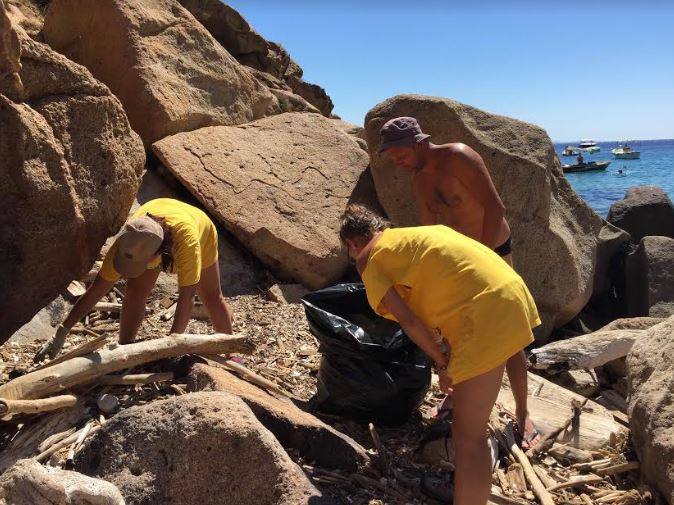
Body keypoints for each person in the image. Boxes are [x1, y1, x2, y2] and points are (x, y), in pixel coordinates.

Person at [339, 205, 540, 505]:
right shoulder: (414, 237)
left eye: (349, 253)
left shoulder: (369, 257)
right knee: (471, 425)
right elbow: (448, 293)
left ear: (353, 243)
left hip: (485, 312)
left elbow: (408, 321)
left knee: (468, 437)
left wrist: (442, 362)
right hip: (511, 291)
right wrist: (448, 362)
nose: (354, 260)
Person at [378, 116, 540, 448]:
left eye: (400, 153)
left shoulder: (460, 157)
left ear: (420, 142)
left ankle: (523, 412)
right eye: (391, 156)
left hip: (493, 248)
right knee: (451, 328)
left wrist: (484, 258)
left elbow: (496, 208)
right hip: (460, 261)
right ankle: (456, 397)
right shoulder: (419, 181)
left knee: (509, 335)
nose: (396, 161)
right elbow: (428, 234)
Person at [35, 198, 233, 361]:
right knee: (135, 292)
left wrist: (171, 347)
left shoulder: (187, 244)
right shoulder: (130, 241)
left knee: (211, 297)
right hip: (156, 225)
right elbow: (96, 290)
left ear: (155, 256)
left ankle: (231, 352)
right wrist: (61, 333)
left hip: (199, 229)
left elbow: (186, 299)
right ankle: (126, 346)